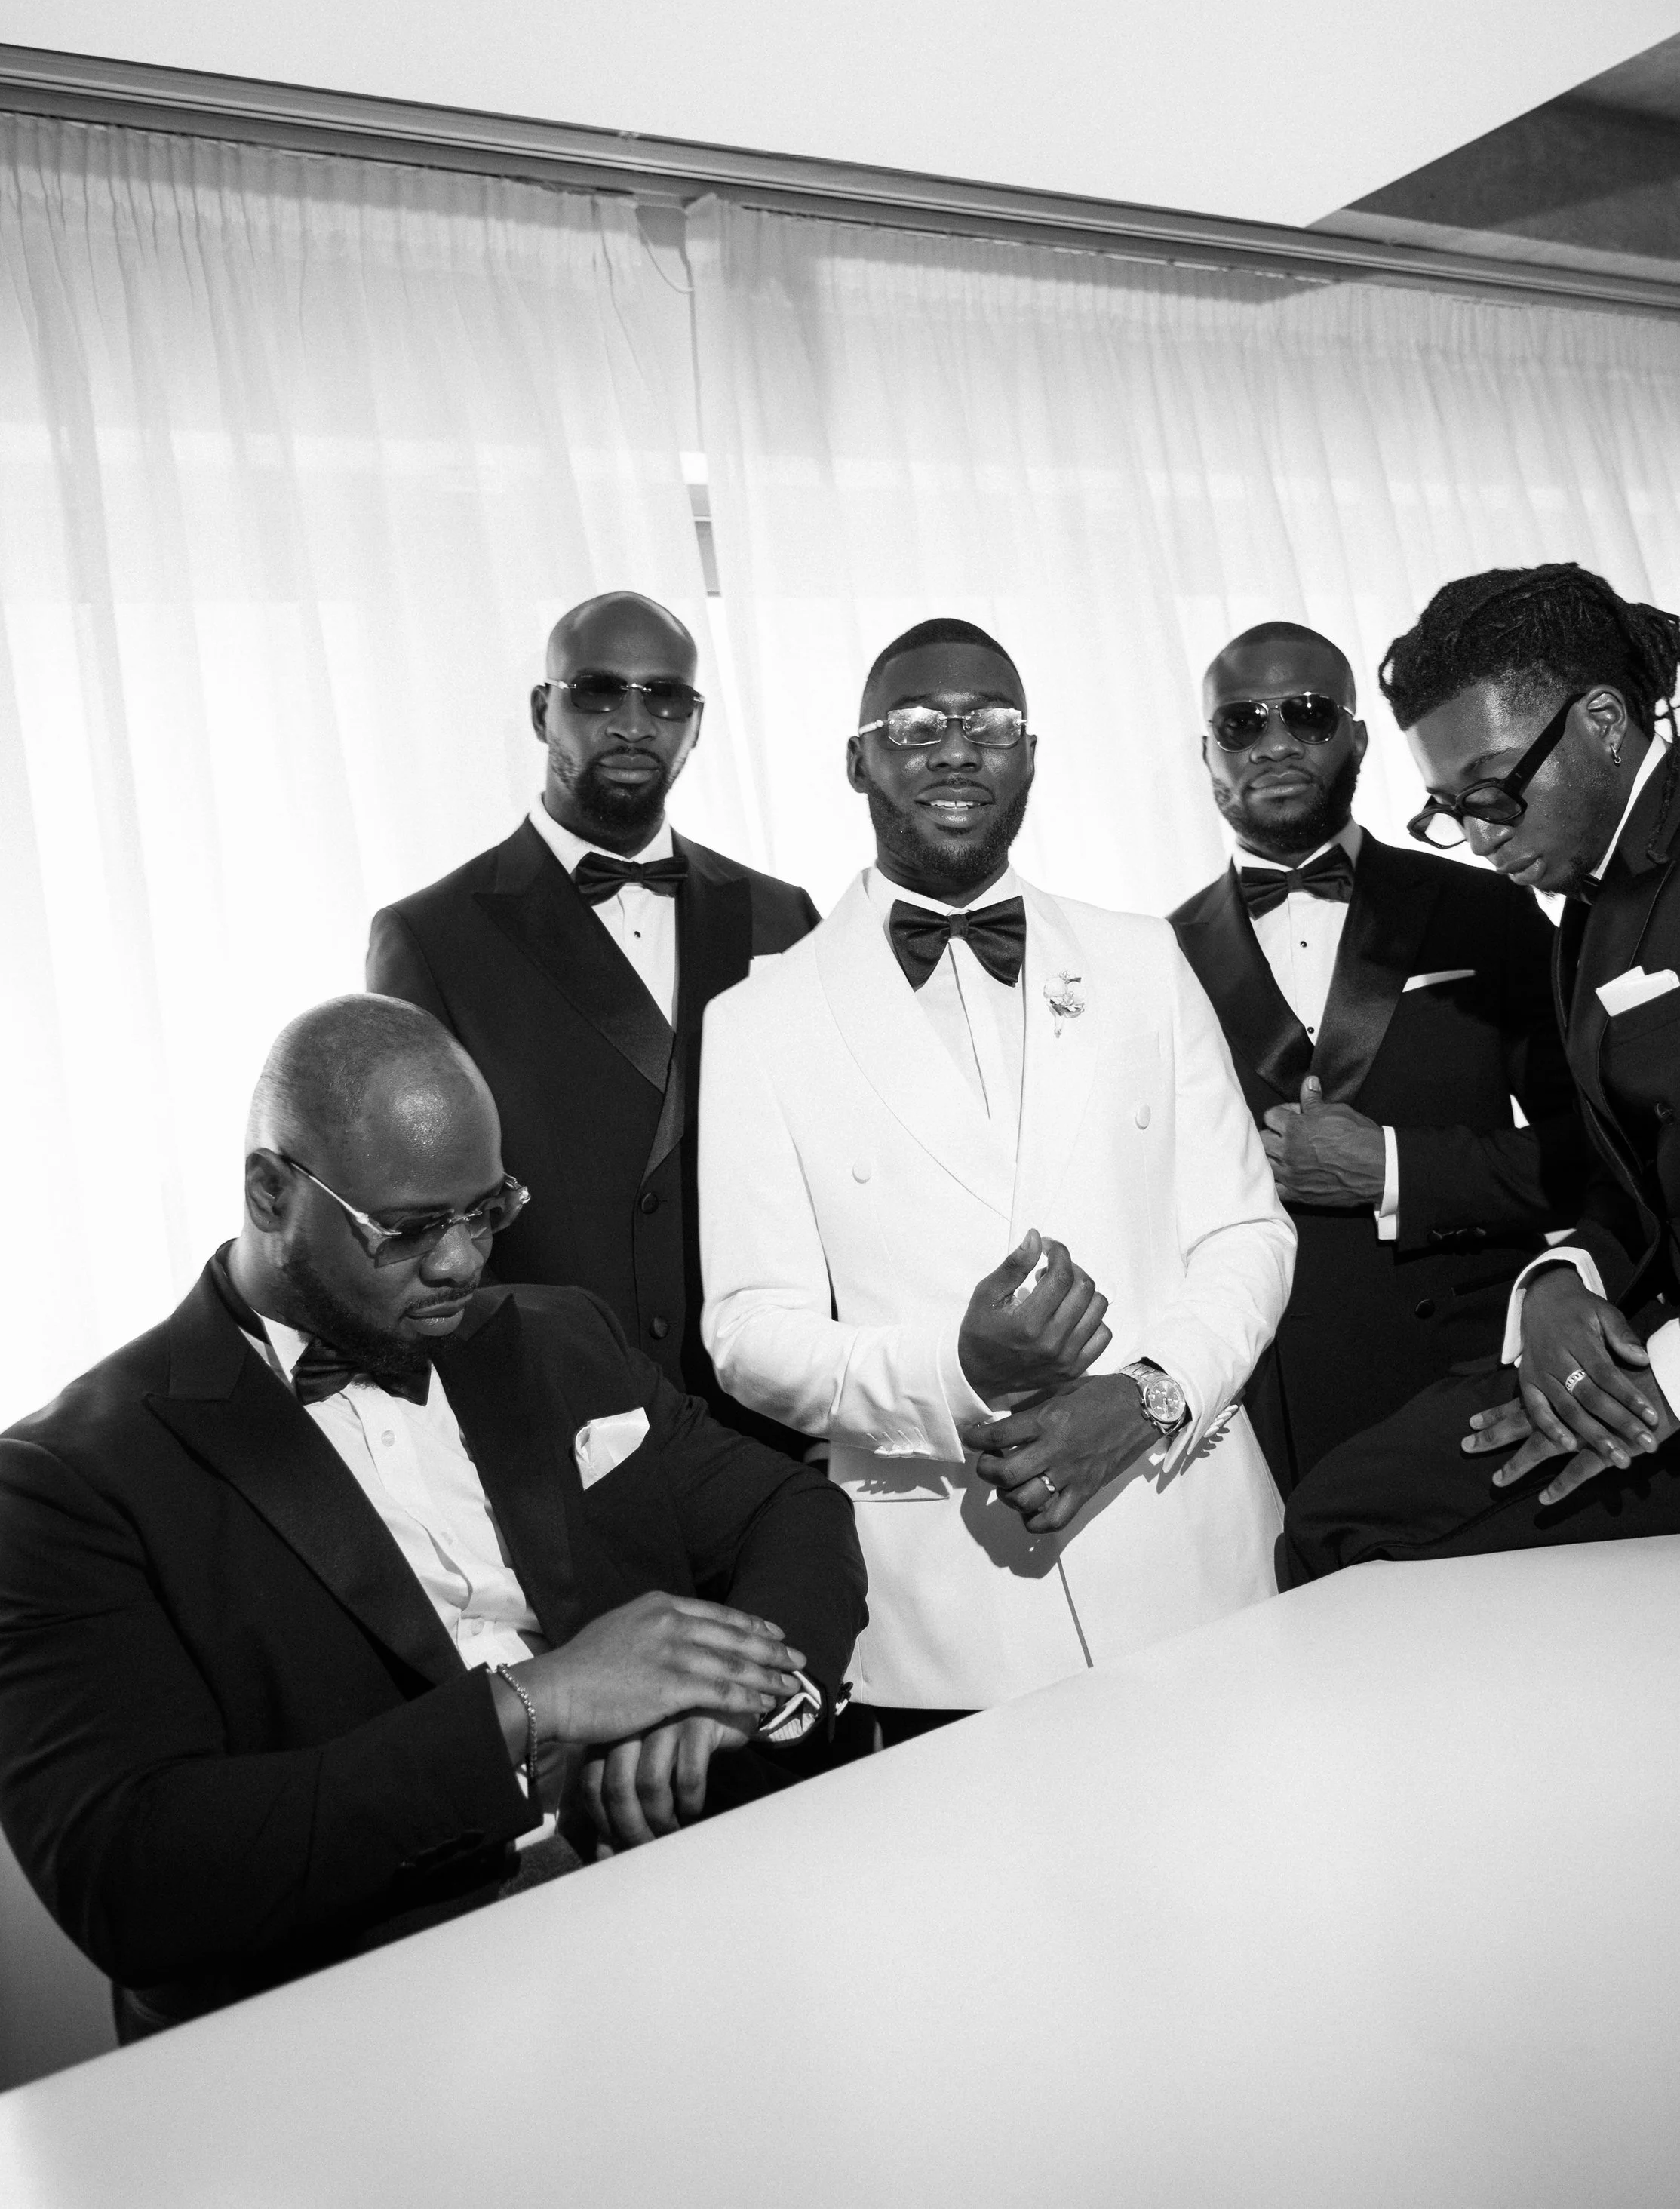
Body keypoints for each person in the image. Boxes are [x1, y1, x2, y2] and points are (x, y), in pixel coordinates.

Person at [0, 996, 865, 2035]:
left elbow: (793, 1508)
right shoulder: (64, 1478)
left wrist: (728, 1696)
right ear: (271, 1192)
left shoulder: (561, 1336)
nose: (461, 1262)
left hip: (690, 1908)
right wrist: (536, 1701)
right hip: (366, 2012)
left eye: (487, 1209)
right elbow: (134, 1876)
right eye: (406, 1230)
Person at [697, 616, 1295, 1742]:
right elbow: (747, 1329)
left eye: (992, 725)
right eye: (915, 724)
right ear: (857, 758)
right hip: (950, 1617)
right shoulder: (758, 1021)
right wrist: (957, 1369)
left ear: (1030, 755)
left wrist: (1149, 1395)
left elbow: (1246, 1233)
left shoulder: (1140, 959)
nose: (956, 748)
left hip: (1198, 1549)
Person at [1281, 561, 1680, 1584]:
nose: (1478, 835)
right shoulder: (1588, 904)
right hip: (1669, 1347)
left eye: (1496, 791)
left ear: (1603, 719)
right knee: (1345, 1500)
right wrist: (1565, 1276)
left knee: (1356, 1521)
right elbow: (1642, 1175)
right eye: (1447, 808)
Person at [366, 591, 817, 1424]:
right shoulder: (430, 936)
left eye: (664, 696)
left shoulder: (782, 916)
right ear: (545, 710)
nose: (635, 723)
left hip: (774, 1416)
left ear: (696, 720)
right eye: (599, 692)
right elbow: (420, 1215)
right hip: (564, 1422)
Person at [1170, 619, 1584, 1493]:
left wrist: (1395, 1166)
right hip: (1257, 1400)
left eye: (1309, 715)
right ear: (1206, 754)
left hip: (1469, 1374)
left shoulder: (1486, 909)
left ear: (1357, 737)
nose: (1276, 741)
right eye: (1242, 723)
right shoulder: (1153, 957)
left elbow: (1593, 1147)